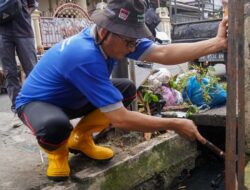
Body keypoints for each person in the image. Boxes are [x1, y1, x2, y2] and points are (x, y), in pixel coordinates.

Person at [15, 0, 228, 181]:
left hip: (73, 97)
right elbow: (120, 119)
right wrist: (175, 124)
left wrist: (216, 44)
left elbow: (163, 53)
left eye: (135, 41)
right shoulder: (83, 55)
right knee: (55, 127)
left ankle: (81, 139)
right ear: (105, 31)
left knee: (126, 89)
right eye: (129, 42)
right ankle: (58, 154)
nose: (132, 48)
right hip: (37, 103)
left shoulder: (117, 39)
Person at [0, 0, 37, 112]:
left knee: (32, 69)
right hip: (3, 34)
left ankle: (39, 100)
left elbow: (33, 4)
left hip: (24, 31)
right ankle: (17, 106)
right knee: (9, 72)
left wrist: (23, 14)